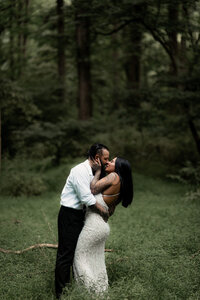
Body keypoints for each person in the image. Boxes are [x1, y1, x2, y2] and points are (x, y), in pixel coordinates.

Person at [55, 143, 110, 299]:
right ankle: (61, 294)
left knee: (77, 253)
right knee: (65, 255)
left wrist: (99, 172)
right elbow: (86, 197)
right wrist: (103, 211)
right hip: (70, 215)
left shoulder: (95, 171)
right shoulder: (79, 170)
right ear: (97, 158)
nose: (108, 161)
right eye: (106, 158)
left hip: (82, 215)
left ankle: (76, 289)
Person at [73, 156, 133, 294]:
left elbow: (93, 189)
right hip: (102, 227)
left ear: (118, 167)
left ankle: (90, 293)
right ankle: (102, 294)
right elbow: (109, 211)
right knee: (96, 262)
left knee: (79, 257)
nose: (108, 162)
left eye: (112, 161)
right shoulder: (121, 184)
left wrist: (99, 171)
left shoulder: (113, 176)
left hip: (94, 226)